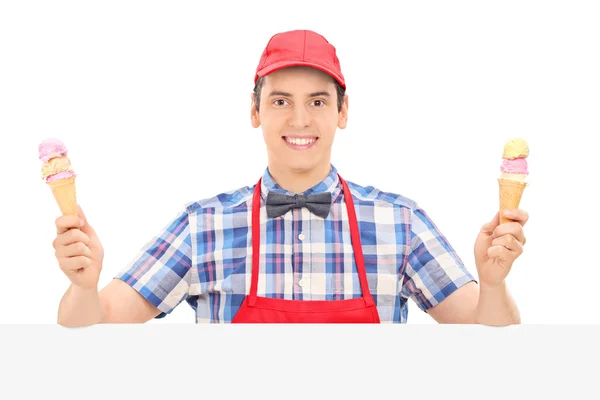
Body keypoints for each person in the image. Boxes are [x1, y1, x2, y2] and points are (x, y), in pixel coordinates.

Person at [52, 29, 528, 326]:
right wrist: (83, 287)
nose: (299, 119)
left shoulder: (399, 222)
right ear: (255, 111)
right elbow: (99, 327)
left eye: (317, 101)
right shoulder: (202, 226)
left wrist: (492, 285)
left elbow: (486, 342)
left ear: (343, 113)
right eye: (281, 100)